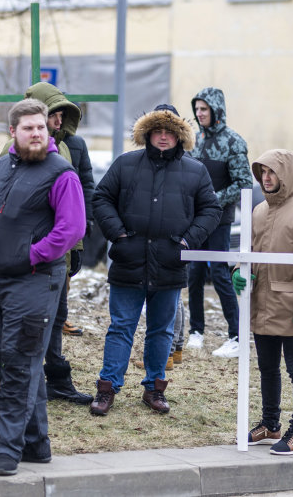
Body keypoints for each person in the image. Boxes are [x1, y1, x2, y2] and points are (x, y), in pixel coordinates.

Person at [0, 98, 86, 475]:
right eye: (28, 128)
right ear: (13, 133)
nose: (36, 133)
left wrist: (31, 255)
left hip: (38, 279)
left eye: (41, 127)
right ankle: (36, 445)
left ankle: (8, 448)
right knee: (13, 359)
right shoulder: (1, 166)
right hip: (0, 278)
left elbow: (71, 229)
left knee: (19, 363)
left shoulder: (61, 173)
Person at [89, 103, 221, 416]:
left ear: (179, 136)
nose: (163, 137)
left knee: (161, 330)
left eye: (169, 132)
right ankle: (107, 389)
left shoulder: (195, 170)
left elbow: (211, 210)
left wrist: (188, 241)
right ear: (147, 134)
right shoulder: (126, 163)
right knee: (121, 327)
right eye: (157, 131)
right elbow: (101, 198)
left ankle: (154, 389)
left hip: (170, 263)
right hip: (129, 261)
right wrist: (118, 235)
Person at [236, 149, 293, 456]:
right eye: (263, 172)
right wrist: (239, 272)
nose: (267, 177)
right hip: (262, 302)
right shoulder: (258, 211)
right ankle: (270, 424)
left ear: (286, 174)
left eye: (272, 172)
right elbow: (246, 252)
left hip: (292, 303)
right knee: (267, 368)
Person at [25, 81, 95, 405]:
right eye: (55, 113)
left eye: (63, 113)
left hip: (60, 257)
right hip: (35, 254)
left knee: (56, 317)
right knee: (35, 321)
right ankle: (29, 380)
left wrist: (77, 248)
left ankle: (56, 380)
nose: (59, 119)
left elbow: (75, 207)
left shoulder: (69, 147)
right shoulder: (21, 148)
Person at [182, 87, 252, 359]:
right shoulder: (194, 140)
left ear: (216, 110)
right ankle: (195, 331)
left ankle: (235, 335)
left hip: (220, 219)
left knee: (220, 273)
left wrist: (214, 199)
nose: (199, 114)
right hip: (193, 218)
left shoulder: (233, 141)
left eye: (204, 109)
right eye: (197, 109)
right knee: (194, 272)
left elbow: (244, 183)